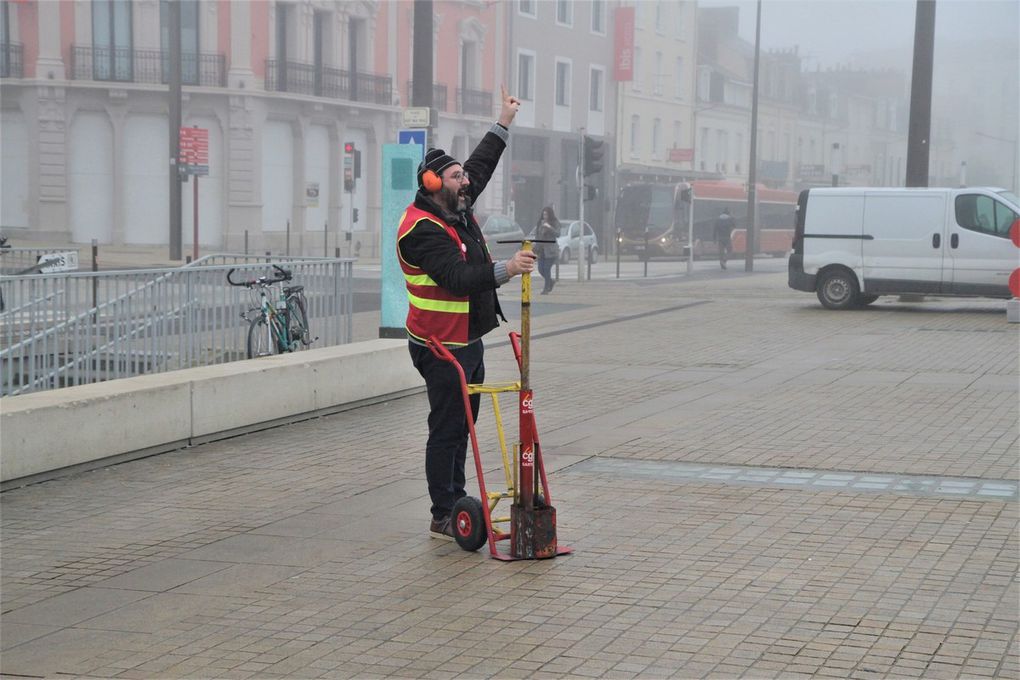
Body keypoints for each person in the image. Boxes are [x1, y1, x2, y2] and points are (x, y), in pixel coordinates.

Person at [397, 85, 536, 541]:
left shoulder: (455, 205)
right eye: (456, 177)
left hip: (466, 339)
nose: (466, 182)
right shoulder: (421, 230)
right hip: (437, 343)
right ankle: (444, 510)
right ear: (433, 184)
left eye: (462, 176)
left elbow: (481, 165)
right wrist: (507, 269)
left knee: (465, 423)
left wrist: (504, 121)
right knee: (448, 426)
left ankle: (458, 497)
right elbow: (456, 277)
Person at [535, 206, 561, 294]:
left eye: (546, 214)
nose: (544, 216)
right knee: (540, 269)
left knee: (546, 269)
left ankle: (546, 289)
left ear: (550, 214)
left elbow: (558, 234)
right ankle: (551, 281)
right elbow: (538, 236)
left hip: (550, 251)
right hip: (541, 250)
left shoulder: (554, 222)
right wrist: (535, 248)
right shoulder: (540, 223)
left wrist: (549, 227)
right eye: (543, 214)